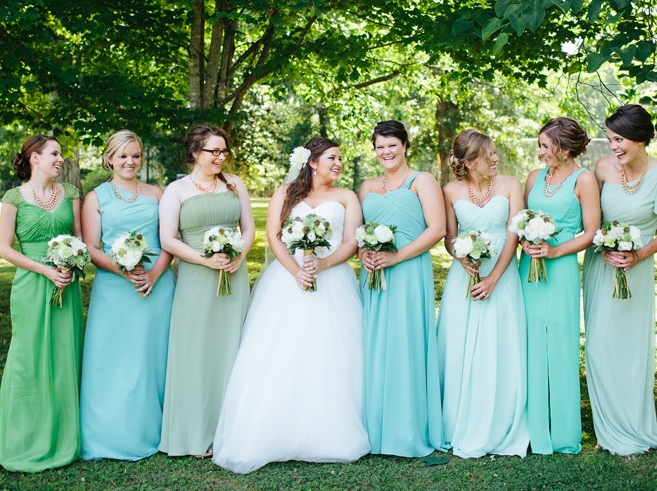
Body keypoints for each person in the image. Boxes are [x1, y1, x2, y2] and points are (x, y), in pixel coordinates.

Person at [212, 138, 370, 473]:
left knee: (331, 351)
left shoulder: (346, 197)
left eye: (340, 158)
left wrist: (324, 266)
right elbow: (273, 235)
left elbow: (352, 241)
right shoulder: (286, 193)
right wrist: (297, 270)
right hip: (287, 280)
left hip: (334, 280)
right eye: (332, 158)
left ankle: (327, 431)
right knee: (282, 350)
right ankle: (274, 429)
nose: (339, 163)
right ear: (313, 162)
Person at [584, 104, 657, 455]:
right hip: (601, 266)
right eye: (611, 139)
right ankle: (607, 424)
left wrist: (638, 254)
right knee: (598, 347)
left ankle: (631, 421)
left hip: (637, 270)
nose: (613, 147)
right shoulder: (601, 169)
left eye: (620, 139)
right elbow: (589, 217)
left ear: (641, 139)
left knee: (629, 348)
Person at [158, 124, 254, 458]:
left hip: (234, 275)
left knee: (233, 348)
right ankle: (196, 433)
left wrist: (239, 255)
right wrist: (203, 259)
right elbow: (168, 239)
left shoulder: (234, 184)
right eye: (214, 151)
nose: (221, 157)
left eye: (224, 151)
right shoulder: (176, 190)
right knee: (197, 352)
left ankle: (232, 430)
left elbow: (248, 227)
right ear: (195, 152)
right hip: (196, 280)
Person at [79, 130, 175, 460]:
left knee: (153, 357)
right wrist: (125, 269)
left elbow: (168, 242)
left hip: (157, 287)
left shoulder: (157, 194)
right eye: (122, 156)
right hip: (114, 289)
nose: (130, 162)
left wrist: (153, 273)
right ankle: (110, 432)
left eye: (135, 155)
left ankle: (158, 429)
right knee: (113, 358)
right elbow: (91, 248)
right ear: (109, 159)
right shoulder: (95, 197)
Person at [0, 135, 83, 472]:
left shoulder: (71, 194)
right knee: (28, 359)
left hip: (66, 284)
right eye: (54, 154)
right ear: (34, 158)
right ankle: (24, 438)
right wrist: (45, 269)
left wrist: (70, 265)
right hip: (31, 284)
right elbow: (5, 249)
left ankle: (64, 434)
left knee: (64, 355)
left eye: (60, 154)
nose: (60, 159)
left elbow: (81, 240)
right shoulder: (14, 198)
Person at [436, 129, 529, 458]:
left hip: (502, 277)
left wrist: (494, 279)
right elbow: (449, 237)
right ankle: (459, 420)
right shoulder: (449, 190)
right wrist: (459, 255)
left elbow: (514, 233)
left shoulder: (510, 185)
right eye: (489, 154)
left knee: (498, 345)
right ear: (469, 161)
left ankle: (499, 420)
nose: (495, 159)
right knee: (459, 348)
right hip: (464, 277)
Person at [358, 120, 444, 457]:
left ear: (405, 146)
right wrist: (366, 251)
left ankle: (406, 428)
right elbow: (359, 230)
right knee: (374, 343)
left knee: (406, 342)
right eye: (380, 147)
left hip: (408, 271)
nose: (386, 152)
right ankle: (372, 427)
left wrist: (397, 258)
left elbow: (436, 229)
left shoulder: (421, 181)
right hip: (373, 274)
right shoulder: (366, 187)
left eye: (391, 145)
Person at [520, 117, 600, 455]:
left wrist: (554, 250)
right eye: (539, 145)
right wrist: (526, 241)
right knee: (529, 345)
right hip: (529, 268)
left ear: (565, 148)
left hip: (562, 268)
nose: (540, 152)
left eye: (545, 146)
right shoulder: (534, 177)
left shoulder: (584, 179)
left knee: (562, 345)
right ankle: (531, 428)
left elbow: (590, 232)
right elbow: (523, 218)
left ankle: (565, 432)